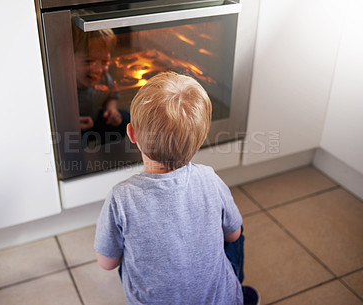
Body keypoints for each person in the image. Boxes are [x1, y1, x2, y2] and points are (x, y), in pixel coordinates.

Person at [94, 72, 259, 305]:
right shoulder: (209, 178)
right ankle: (237, 293)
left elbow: (107, 262)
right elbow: (233, 233)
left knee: (128, 258)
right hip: (221, 300)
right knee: (236, 235)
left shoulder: (121, 197)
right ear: (200, 140)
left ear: (131, 133)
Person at [72, 23, 130, 145]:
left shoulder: (104, 79)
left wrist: (111, 109)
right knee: (76, 138)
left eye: (105, 61)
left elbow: (111, 94)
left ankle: (108, 149)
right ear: (69, 58)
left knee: (125, 119)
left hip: (97, 117)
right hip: (75, 125)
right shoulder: (64, 85)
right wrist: (70, 122)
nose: (98, 69)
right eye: (89, 61)